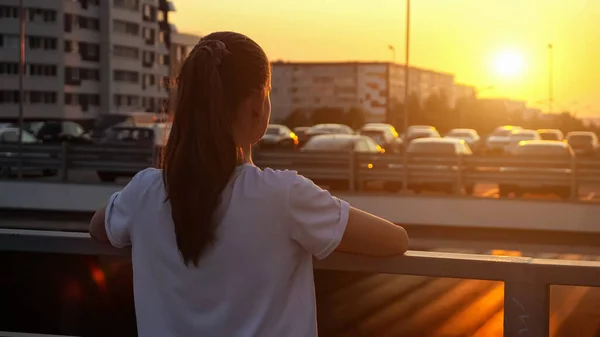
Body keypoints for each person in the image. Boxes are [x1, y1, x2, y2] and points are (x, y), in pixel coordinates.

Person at [89, 31, 408, 337]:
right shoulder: (284, 197)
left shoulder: (144, 192)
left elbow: (98, 227)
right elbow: (394, 240)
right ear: (258, 104)